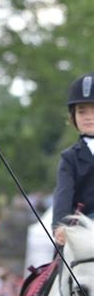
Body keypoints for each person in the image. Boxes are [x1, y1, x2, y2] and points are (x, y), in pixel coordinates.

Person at [52, 72, 94, 244]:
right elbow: (63, 194)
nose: (89, 117)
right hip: (81, 235)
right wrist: (60, 226)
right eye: (81, 111)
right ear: (73, 117)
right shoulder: (69, 158)